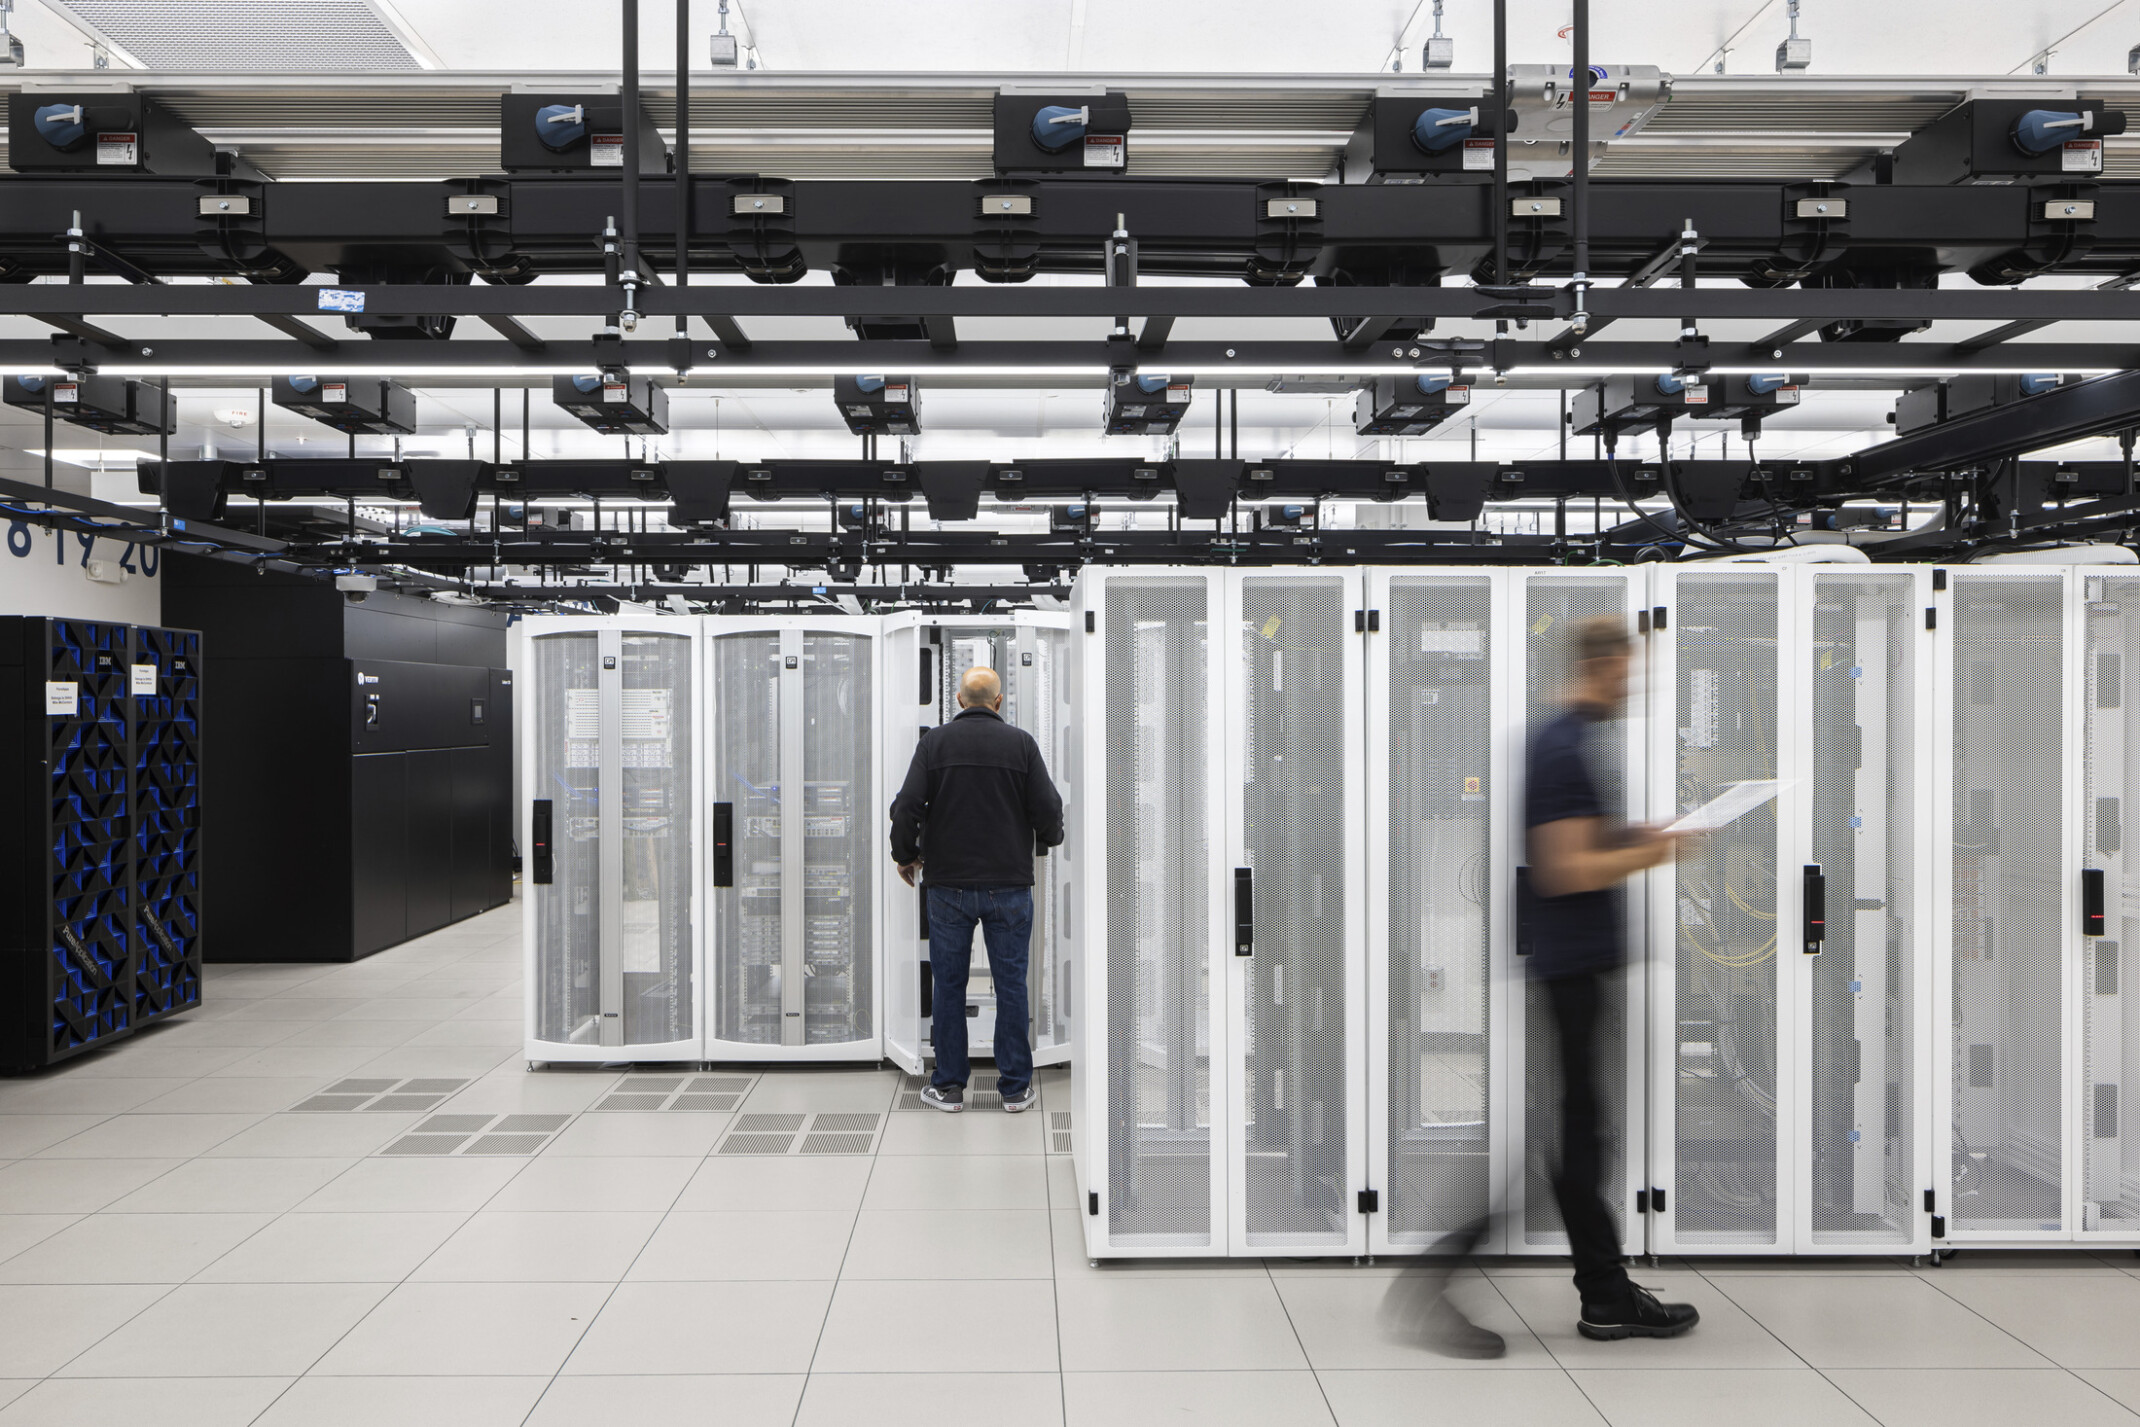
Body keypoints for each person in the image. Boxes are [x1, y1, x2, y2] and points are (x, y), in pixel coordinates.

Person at [1526, 615, 1700, 1341]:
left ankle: (1604, 1287)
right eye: (1628, 676)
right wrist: (1654, 855)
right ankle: (1602, 1291)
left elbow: (1585, 843)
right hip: (1571, 967)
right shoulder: (1564, 747)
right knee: (1580, 1137)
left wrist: (1641, 836)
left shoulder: (1572, 743)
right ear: (1600, 668)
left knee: (1583, 1131)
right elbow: (1565, 866)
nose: (1632, 689)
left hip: (1578, 963)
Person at [889, 664, 1063, 1114]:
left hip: (948, 885)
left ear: (960, 701)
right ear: (998, 702)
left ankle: (948, 1086)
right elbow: (1048, 809)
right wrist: (1047, 837)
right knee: (1011, 984)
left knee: (948, 985)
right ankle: (1015, 1089)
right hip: (1008, 884)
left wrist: (904, 853)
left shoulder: (935, 743)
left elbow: (906, 805)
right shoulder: (1021, 744)